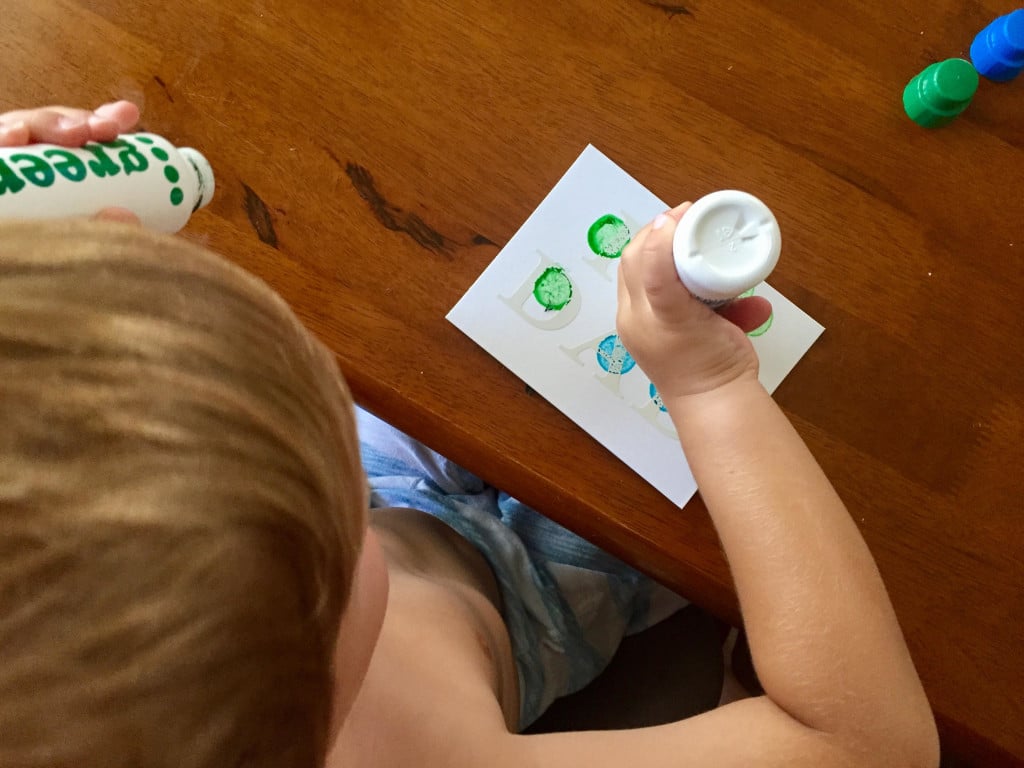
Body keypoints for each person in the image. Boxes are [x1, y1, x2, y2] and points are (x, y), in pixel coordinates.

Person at [0, 104, 940, 768]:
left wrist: (45, 251)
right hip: (532, 601)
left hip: (387, 508)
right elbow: (865, 745)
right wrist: (712, 384)